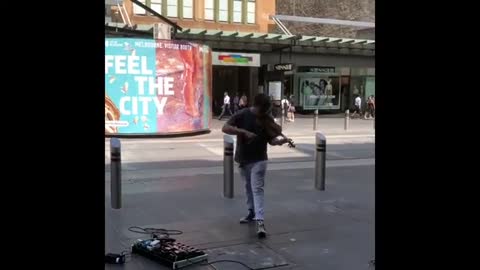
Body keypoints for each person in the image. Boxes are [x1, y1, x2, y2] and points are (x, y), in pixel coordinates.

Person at [222, 93, 292, 238]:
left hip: (260, 159)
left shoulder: (267, 118)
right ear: (257, 105)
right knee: (248, 187)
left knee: (257, 189)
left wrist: (281, 141)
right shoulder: (242, 114)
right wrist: (243, 131)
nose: (265, 113)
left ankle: (260, 221)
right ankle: (251, 212)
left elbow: (271, 140)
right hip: (243, 158)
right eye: (264, 109)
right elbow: (225, 127)